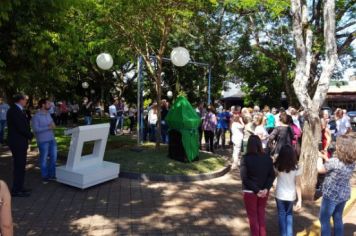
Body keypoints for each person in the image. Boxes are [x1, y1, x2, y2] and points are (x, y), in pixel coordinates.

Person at [317, 134, 356, 236]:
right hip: (343, 194)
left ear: (341, 148)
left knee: (324, 220)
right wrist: (326, 158)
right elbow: (336, 166)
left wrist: (319, 158)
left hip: (331, 196)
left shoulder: (334, 161)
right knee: (338, 218)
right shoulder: (352, 162)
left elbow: (320, 170)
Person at [240, 135, 275, 236]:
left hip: (251, 192)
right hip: (263, 192)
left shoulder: (245, 158)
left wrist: (258, 190)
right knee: (261, 215)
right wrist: (265, 189)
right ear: (260, 144)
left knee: (253, 217)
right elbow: (271, 176)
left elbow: (244, 178)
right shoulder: (267, 158)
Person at [7, 94, 33, 197]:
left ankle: (20, 187)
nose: (26, 101)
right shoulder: (13, 110)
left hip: (20, 141)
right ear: (21, 100)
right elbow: (20, 127)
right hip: (17, 142)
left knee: (21, 165)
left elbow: (25, 123)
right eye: (25, 100)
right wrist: (30, 135)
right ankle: (16, 190)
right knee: (19, 165)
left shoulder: (19, 110)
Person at [274, 145, 302, 236]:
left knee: (282, 215)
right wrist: (300, 200)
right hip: (291, 195)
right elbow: (298, 184)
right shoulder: (297, 167)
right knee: (289, 215)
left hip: (280, 194)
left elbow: (273, 177)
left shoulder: (277, 165)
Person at [32, 99, 58, 184]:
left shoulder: (48, 114)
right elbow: (36, 129)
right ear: (43, 105)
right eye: (48, 103)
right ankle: (45, 176)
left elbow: (53, 124)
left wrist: (52, 126)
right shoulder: (36, 116)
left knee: (53, 158)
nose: (50, 104)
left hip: (52, 139)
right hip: (43, 141)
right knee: (44, 159)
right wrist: (48, 127)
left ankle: (52, 175)